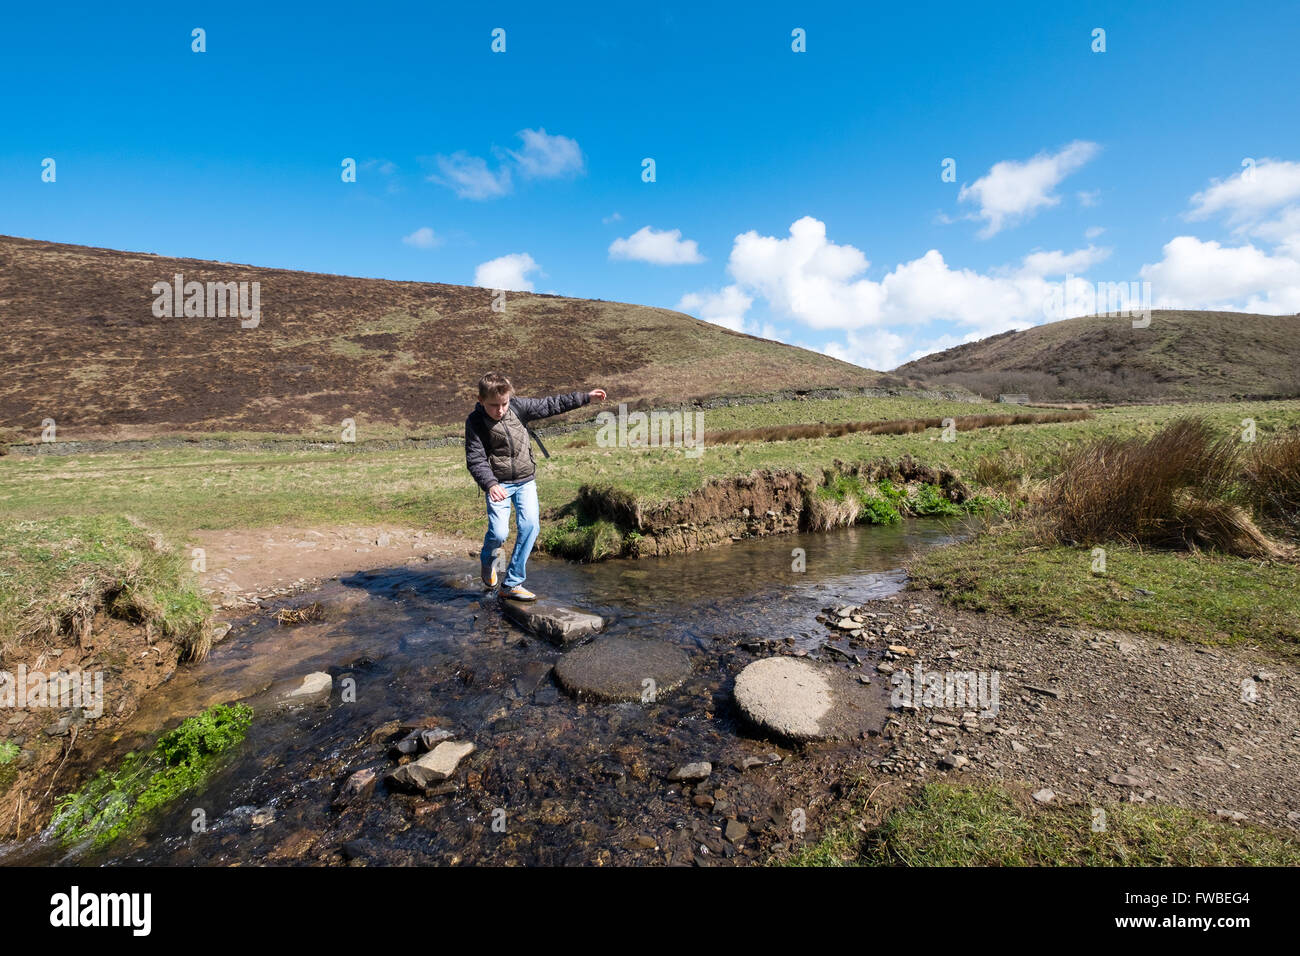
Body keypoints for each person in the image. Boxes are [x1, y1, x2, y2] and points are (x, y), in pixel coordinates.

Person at [464, 371, 607, 600]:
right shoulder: (475, 422)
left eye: (504, 403)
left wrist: (585, 398)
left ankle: (511, 583)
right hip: (498, 484)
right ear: (480, 400)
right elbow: (475, 459)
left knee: (531, 526)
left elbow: (551, 404)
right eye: (494, 405)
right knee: (499, 533)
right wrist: (490, 484)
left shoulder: (518, 407)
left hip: (525, 481)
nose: (500, 410)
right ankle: (487, 561)